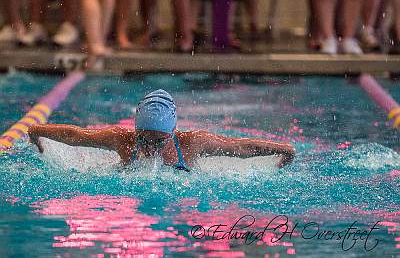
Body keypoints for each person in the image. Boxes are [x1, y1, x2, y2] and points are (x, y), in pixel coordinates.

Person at [28, 89, 295, 171]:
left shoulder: (192, 143)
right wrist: (37, 129)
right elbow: (77, 136)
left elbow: (239, 147)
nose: (150, 146)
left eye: (159, 140)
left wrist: (281, 149)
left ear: (174, 131)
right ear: (135, 130)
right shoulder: (123, 140)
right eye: (145, 138)